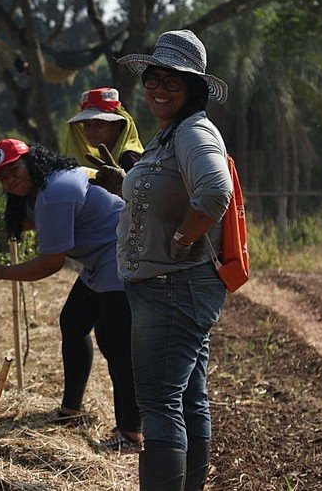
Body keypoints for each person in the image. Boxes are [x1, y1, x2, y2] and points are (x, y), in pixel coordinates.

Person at [89, 29, 233, 490]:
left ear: (194, 89)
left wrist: (180, 240)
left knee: (159, 403)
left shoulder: (193, 130)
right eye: (153, 80)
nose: (158, 90)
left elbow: (214, 192)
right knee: (188, 399)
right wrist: (124, 183)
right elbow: (168, 190)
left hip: (174, 284)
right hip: (170, 284)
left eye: (172, 82)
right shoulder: (170, 134)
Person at [0, 139, 142, 454]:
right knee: (74, 321)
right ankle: (72, 411)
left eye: (14, 170)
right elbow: (33, 219)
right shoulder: (45, 183)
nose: (11, 180)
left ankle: (131, 434)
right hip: (100, 258)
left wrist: (1, 271)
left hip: (120, 254)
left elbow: (51, 264)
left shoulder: (55, 192)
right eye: (3, 178)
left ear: (31, 160)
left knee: (116, 342)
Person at [63, 86, 143, 172]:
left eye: (99, 124)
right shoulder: (99, 158)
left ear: (117, 124)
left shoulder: (129, 158)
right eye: (87, 125)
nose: (92, 131)